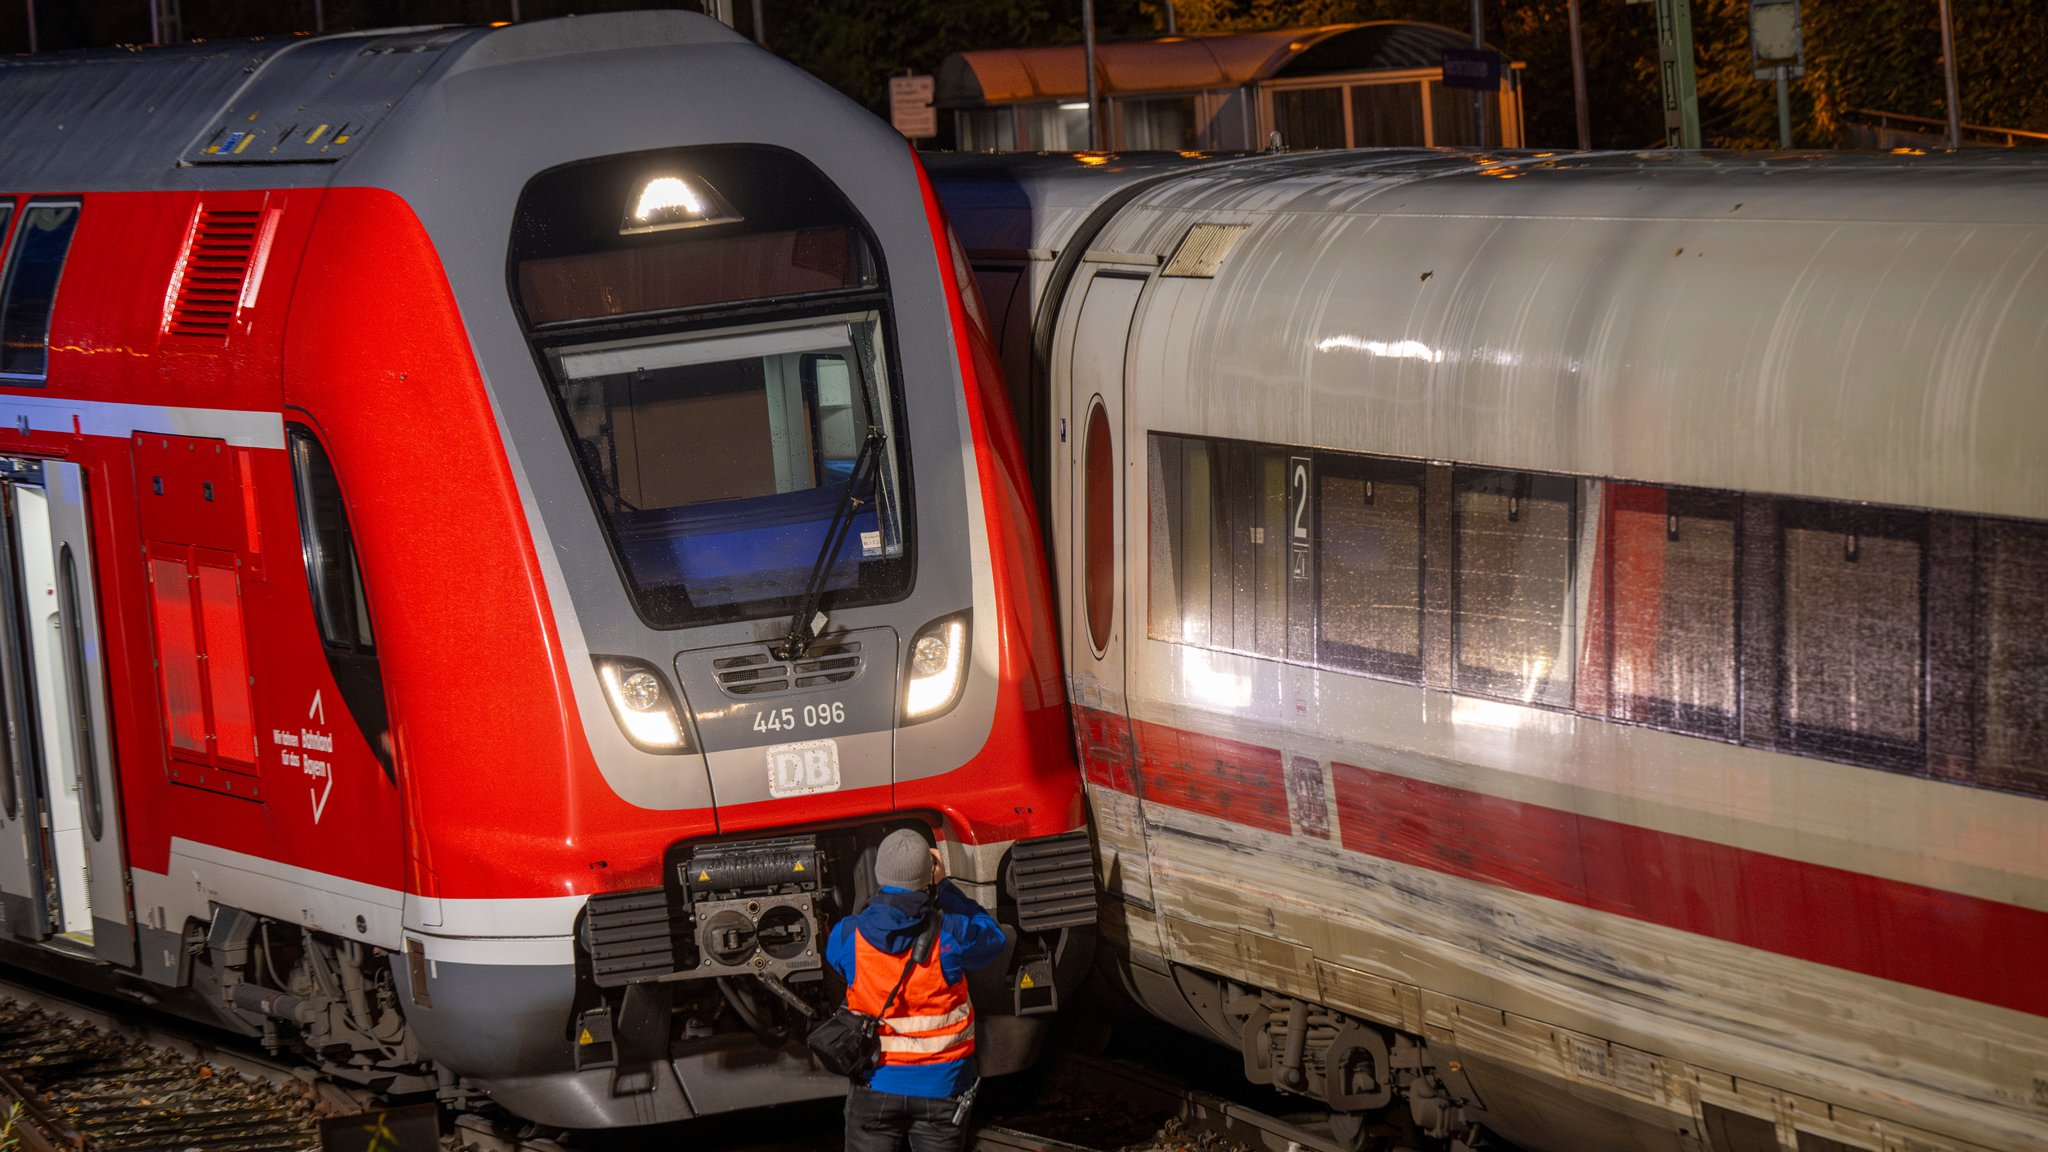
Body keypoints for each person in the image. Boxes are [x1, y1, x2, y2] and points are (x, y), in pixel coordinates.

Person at [826, 827, 1008, 1152]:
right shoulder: (952, 934)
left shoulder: (848, 935)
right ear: (927, 874)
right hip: (943, 1086)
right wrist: (945, 887)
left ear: (880, 873)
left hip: (874, 1083)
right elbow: (994, 938)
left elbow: (840, 963)